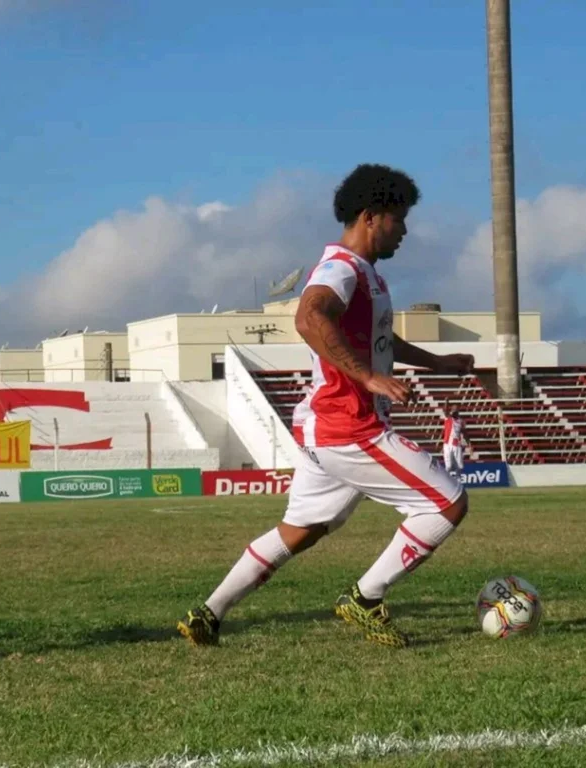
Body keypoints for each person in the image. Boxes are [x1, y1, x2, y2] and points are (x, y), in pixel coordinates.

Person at [178, 164, 475, 649]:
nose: (405, 231)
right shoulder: (340, 268)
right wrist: (366, 377)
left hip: (324, 428)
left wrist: (437, 362)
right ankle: (366, 597)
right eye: (399, 219)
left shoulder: (367, 275)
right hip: (350, 427)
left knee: (302, 529)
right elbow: (309, 315)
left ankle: (208, 613)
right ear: (371, 216)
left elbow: (382, 340)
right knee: (446, 502)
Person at [442, 403, 467, 479]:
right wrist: (446, 402)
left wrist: (469, 444)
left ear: (458, 410)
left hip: (457, 444)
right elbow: (445, 411)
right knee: (448, 466)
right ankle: (446, 480)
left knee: (460, 466)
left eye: (455, 409)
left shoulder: (461, 421)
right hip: (447, 444)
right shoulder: (448, 418)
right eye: (453, 409)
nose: (454, 411)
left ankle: (458, 478)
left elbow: (464, 433)